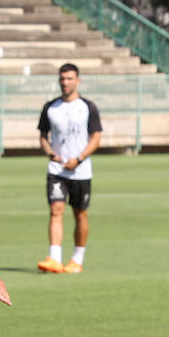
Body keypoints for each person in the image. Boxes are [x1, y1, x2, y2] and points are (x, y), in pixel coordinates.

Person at [37, 64, 101, 275]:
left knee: (80, 214)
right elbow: (43, 136)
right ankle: (54, 258)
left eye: (69, 78)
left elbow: (96, 137)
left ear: (78, 80)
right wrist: (50, 153)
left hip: (80, 171)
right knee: (56, 210)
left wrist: (79, 158)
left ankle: (77, 259)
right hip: (57, 169)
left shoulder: (87, 107)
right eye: (62, 78)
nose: (65, 82)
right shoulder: (51, 107)